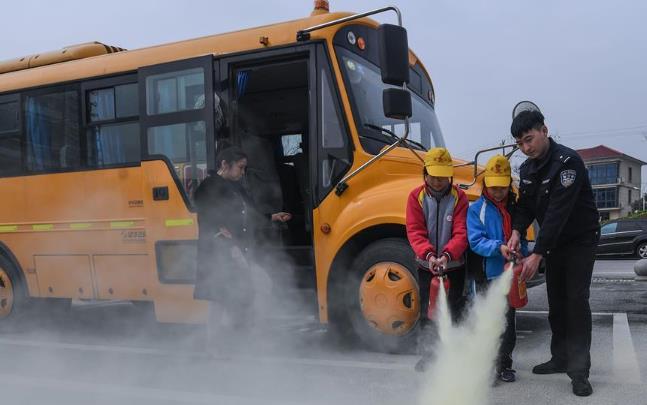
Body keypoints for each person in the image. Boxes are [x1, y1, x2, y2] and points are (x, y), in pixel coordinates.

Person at [506, 109, 599, 397]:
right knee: (556, 302)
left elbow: (558, 212)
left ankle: (580, 371)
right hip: (555, 243)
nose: (526, 147)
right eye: (520, 143)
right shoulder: (527, 169)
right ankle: (559, 358)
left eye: (529, 139)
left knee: (575, 302)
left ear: (544, 130)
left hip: (580, 241)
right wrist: (517, 231)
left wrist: (537, 253)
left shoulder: (568, 162)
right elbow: (525, 207)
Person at [193, 146, 292, 354]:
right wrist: (226, 242)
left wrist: (272, 217)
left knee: (250, 288)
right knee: (221, 298)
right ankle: (218, 345)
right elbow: (209, 217)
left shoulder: (236, 187)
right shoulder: (209, 186)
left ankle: (245, 336)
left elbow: (250, 214)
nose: (242, 172)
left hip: (239, 250)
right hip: (222, 253)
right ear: (224, 165)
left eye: (244, 168)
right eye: (240, 167)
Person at [406, 147, 469, 372]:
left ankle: (453, 354)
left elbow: (462, 232)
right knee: (427, 311)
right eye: (434, 176)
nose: (439, 181)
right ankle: (429, 354)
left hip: (454, 266)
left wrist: (448, 255)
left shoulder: (459, 197)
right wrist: (430, 255)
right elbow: (415, 231)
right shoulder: (416, 197)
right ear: (425, 174)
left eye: (443, 176)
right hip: (427, 266)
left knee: (453, 308)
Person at [467, 155, 528, 383]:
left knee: (507, 324)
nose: (498, 192)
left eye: (502, 187)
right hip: (485, 276)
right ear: (485, 185)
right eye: (493, 187)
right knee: (485, 323)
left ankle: (504, 364)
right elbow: (475, 241)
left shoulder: (516, 210)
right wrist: (499, 247)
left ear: (508, 185)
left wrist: (521, 250)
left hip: (509, 277)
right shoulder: (476, 210)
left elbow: (522, 239)